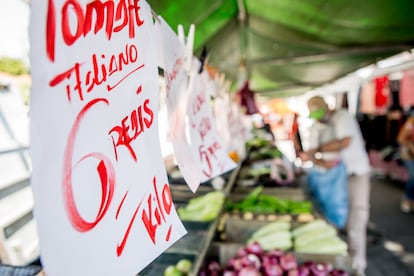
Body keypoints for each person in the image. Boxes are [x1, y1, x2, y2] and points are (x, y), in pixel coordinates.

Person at [301, 96, 371, 276]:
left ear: (326, 107)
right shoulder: (317, 127)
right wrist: (318, 159)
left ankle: (358, 265)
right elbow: (315, 155)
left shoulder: (342, 117)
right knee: (335, 219)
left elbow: (344, 142)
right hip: (334, 179)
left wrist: (315, 152)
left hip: (355, 174)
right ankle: (338, 261)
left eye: (318, 113)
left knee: (357, 219)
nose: (317, 117)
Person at [396, 107, 414, 213]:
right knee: (413, 176)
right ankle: (407, 198)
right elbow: (401, 138)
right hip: (407, 154)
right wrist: (411, 147)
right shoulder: (411, 121)